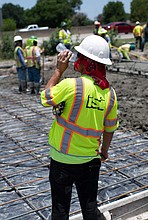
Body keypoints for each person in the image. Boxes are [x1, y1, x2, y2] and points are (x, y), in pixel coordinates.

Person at [40, 35, 119, 219]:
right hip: (91, 161)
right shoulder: (110, 94)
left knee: (60, 212)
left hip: (62, 160)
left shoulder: (71, 85)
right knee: (90, 209)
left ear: (87, 63)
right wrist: (104, 151)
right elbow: (110, 128)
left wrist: (58, 71)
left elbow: (45, 97)